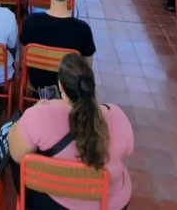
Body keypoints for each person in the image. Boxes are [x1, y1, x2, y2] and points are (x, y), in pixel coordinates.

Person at [7, 54, 134, 210]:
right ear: (91, 85)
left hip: (51, 204)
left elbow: (16, 154)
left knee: (18, 160)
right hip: (109, 204)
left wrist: (34, 111)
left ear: (60, 86)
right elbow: (128, 151)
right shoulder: (117, 115)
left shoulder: (39, 115)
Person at [19, 0, 95, 92]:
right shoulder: (83, 29)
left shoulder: (31, 22)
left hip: (37, 82)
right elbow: (87, 66)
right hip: (69, 85)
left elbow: (24, 56)